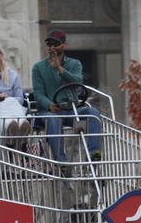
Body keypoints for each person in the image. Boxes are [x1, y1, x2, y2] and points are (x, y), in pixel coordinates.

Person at [31, 29, 102, 163]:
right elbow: (38, 93)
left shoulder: (74, 64)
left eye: (56, 44)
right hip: (50, 112)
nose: (52, 47)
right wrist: (48, 104)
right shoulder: (38, 67)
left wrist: (59, 69)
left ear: (64, 45)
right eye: (49, 44)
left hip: (71, 109)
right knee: (53, 119)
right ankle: (61, 161)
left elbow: (77, 82)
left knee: (93, 112)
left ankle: (93, 154)